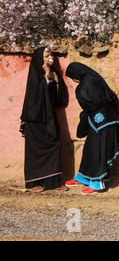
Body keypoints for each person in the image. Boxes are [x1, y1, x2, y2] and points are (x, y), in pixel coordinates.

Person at [65, 62, 119, 194]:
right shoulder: (94, 78)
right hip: (104, 119)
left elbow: (89, 105)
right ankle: (83, 177)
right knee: (90, 148)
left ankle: (97, 183)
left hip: (101, 122)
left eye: (72, 77)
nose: (73, 80)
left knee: (99, 151)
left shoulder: (85, 85)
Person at [20, 47, 68, 192]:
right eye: (47, 56)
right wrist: (46, 78)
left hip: (49, 118)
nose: (50, 59)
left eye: (51, 56)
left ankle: (53, 182)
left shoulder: (54, 74)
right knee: (34, 151)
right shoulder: (35, 75)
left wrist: (56, 80)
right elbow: (36, 98)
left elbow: (59, 99)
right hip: (35, 120)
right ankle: (33, 183)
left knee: (54, 144)